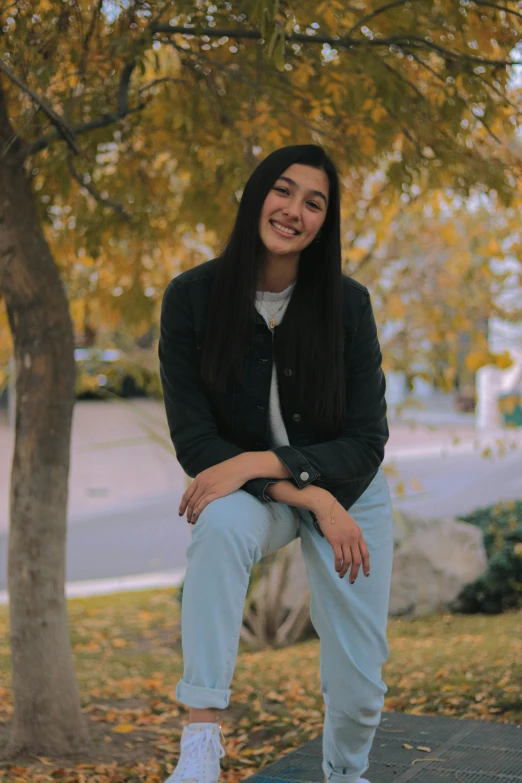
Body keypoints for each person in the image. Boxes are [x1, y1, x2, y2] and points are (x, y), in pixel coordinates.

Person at [158, 144, 394, 783]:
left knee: (361, 686)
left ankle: (346, 774)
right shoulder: (191, 298)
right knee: (219, 526)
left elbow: (367, 441)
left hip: (349, 490)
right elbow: (196, 443)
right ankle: (201, 742)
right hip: (265, 494)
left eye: (314, 202)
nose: (294, 210)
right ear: (257, 195)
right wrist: (302, 494)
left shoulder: (347, 305)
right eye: (282, 190)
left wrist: (270, 466)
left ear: (325, 222)